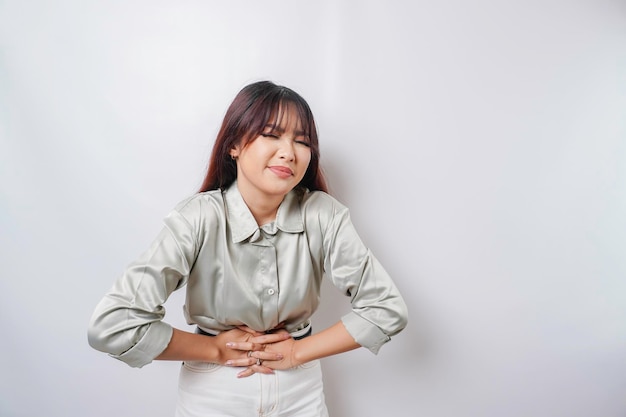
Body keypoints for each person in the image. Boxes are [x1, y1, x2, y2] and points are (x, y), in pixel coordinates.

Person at [88, 80, 408, 416]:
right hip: (214, 390)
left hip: (301, 390)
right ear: (235, 145)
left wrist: (298, 353)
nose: (288, 151)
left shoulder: (323, 214)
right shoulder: (198, 217)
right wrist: (214, 349)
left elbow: (385, 308)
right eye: (271, 134)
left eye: (302, 141)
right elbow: (113, 324)